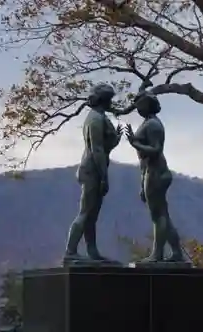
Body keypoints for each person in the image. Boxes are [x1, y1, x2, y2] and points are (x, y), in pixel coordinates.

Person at [63, 83, 123, 263]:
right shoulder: (96, 119)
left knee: (91, 215)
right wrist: (104, 177)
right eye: (110, 99)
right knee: (85, 212)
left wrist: (115, 139)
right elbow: (96, 149)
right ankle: (70, 252)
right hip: (92, 169)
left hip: (95, 167)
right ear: (104, 100)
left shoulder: (99, 117)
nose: (111, 103)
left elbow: (104, 147)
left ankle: (92, 251)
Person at [125, 91, 184, 262]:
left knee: (158, 215)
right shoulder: (148, 123)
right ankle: (176, 252)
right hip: (150, 172)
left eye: (140, 105)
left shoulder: (153, 125)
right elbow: (143, 159)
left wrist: (134, 142)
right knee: (163, 214)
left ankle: (157, 254)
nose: (137, 108)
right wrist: (142, 181)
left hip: (157, 172)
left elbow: (156, 150)